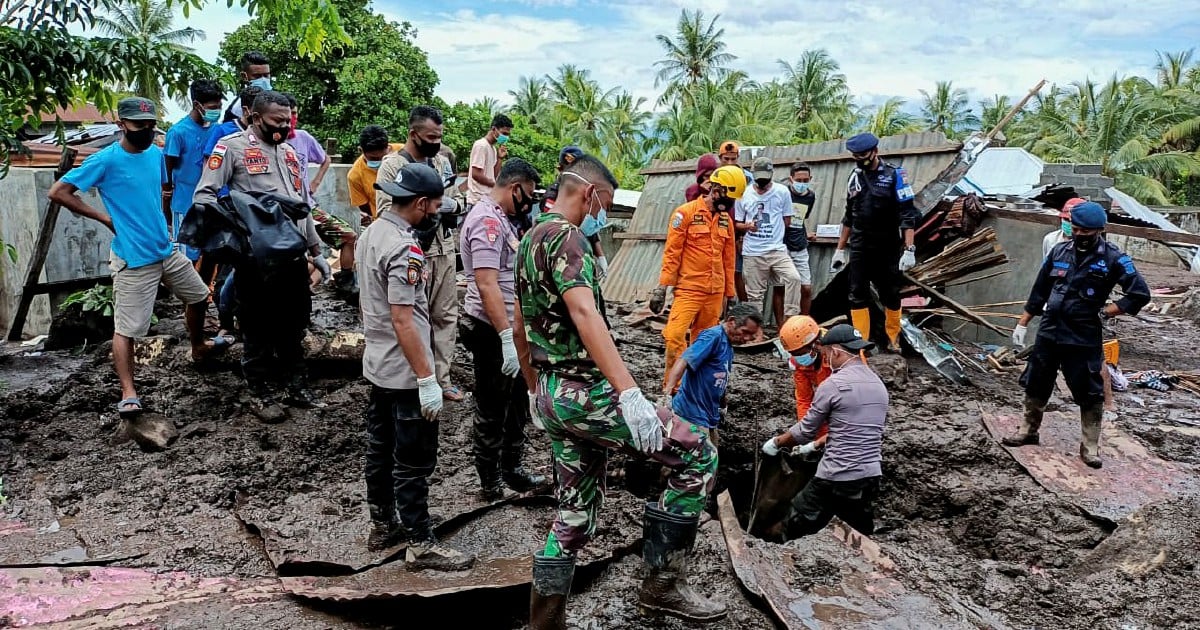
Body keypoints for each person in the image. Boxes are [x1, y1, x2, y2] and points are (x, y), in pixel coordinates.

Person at [516, 154, 725, 626]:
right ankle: (662, 586)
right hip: (584, 392)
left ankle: (544, 623)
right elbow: (586, 315)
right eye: (604, 203)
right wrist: (630, 394)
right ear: (590, 194)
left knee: (574, 511)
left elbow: (518, 324)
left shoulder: (528, 238)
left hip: (553, 395)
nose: (602, 214)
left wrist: (533, 388)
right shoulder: (568, 238)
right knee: (697, 453)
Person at [48, 97, 222, 417]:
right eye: (139, 125)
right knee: (127, 330)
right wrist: (103, 218)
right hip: (133, 257)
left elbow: (155, 197)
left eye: (150, 125)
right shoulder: (106, 161)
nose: (146, 130)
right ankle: (128, 392)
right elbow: (58, 192)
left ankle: (198, 347)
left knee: (199, 297)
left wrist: (165, 225)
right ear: (121, 124)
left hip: (165, 249)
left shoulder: (155, 155)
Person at [356, 161, 475, 571]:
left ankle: (384, 523)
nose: (440, 212)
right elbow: (404, 318)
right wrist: (427, 378)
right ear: (421, 204)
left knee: (380, 447)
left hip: (379, 365)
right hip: (406, 370)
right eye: (437, 206)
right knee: (413, 457)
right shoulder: (405, 248)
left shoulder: (372, 233)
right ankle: (420, 543)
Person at [192, 90, 326, 416]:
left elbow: (302, 205)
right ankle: (260, 392)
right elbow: (204, 195)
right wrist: (242, 220)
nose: (282, 127)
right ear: (254, 116)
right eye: (275, 121)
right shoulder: (232, 148)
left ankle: (296, 386)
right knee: (257, 325)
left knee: (295, 322)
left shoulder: (292, 154)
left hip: (292, 253)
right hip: (255, 256)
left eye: (287, 121)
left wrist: (316, 250)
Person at [1006, 201, 1150, 468]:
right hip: (1050, 329)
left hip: (1083, 334)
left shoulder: (1114, 258)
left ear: (1099, 230)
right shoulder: (1059, 251)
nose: (1080, 235)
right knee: (1036, 381)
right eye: (1077, 229)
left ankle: (1090, 446)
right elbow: (1040, 290)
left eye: (1087, 231)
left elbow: (1140, 293)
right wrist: (1023, 323)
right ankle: (1028, 431)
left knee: (1089, 390)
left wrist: (1108, 312)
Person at [459, 157, 548, 499]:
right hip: (490, 330)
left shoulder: (503, 220)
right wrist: (505, 339)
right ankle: (490, 482)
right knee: (492, 406)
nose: (528, 202)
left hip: (510, 330)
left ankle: (512, 469)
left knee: (517, 404)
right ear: (515, 188)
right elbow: (486, 284)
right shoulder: (487, 222)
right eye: (527, 194)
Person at [761, 324, 887, 539]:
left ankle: (780, 554)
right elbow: (852, 429)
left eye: (828, 353)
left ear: (835, 351)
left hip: (837, 474)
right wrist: (815, 444)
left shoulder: (833, 384)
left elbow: (804, 431)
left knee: (798, 517)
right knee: (857, 528)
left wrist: (777, 442)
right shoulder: (878, 385)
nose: (826, 357)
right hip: (870, 474)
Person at [375, 105, 464, 402]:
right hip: (411, 252)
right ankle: (416, 376)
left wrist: (448, 207)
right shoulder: (391, 166)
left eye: (439, 136)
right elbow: (385, 211)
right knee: (412, 317)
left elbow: (456, 198)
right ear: (414, 134)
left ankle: (442, 377)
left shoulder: (441, 162)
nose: (436, 142)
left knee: (445, 314)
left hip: (443, 248)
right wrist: (424, 211)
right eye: (430, 136)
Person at [650, 166, 741, 391]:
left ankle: (695, 387)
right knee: (674, 336)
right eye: (726, 196)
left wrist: (731, 294)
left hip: (715, 292)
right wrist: (662, 288)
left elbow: (729, 260)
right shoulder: (685, 214)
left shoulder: (725, 221)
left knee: (705, 342)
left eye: (733, 199)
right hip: (688, 289)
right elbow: (672, 253)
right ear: (714, 188)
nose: (728, 203)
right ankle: (674, 387)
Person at [830, 132, 921, 352]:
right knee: (857, 293)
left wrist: (909, 249)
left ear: (875, 151)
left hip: (887, 246)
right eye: (855, 155)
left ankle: (893, 338)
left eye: (863, 154)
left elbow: (907, 214)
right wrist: (839, 250)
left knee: (890, 292)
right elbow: (849, 215)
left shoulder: (895, 175)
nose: (860, 159)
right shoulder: (855, 176)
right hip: (861, 246)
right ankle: (862, 342)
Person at [283, 94, 357, 295]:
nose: (291, 119)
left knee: (348, 235)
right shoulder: (268, 146)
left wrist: (314, 183)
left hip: (309, 208)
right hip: (283, 213)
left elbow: (325, 160)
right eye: (287, 115)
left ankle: (345, 281)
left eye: (295, 114)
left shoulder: (303, 138)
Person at [661, 303, 763, 443]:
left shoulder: (728, 346)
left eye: (751, 335)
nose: (746, 339)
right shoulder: (712, 337)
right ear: (731, 321)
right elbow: (684, 360)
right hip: (691, 413)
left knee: (708, 458)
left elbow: (721, 379)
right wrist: (667, 393)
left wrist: (722, 406)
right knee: (696, 460)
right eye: (744, 332)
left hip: (708, 415)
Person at [735, 157, 803, 326]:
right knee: (755, 295)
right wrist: (747, 227)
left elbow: (787, 220)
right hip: (753, 252)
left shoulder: (782, 192)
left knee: (793, 278)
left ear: (772, 174)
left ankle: (791, 319)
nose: (762, 181)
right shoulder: (743, 193)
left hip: (776, 249)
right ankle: (756, 331)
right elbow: (737, 223)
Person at [164, 79, 223, 262]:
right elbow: (167, 167)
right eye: (213, 106)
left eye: (219, 106)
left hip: (212, 201)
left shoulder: (217, 130)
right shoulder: (178, 132)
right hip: (185, 202)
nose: (217, 110)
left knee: (211, 254)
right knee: (186, 255)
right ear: (197, 105)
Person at [543, 146, 608, 278]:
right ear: (560, 170)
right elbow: (552, 229)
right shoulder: (552, 195)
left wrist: (601, 257)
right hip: (560, 257)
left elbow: (592, 230)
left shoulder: (586, 195)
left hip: (582, 255)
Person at [716, 140, 751, 301]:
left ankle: (742, 308)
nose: (729, 162)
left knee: (738, 273)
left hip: (739, 232)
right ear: (720, 158)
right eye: (726, 159)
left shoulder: (747, 179)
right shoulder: (715, 177)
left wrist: (742, 234)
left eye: (733, 159)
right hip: (718, 229)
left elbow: (751, 205)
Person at [347, 125, 400, 226]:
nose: (379, 161)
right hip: (384, 224)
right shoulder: (355, 175)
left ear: (388, 148)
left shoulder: (404, 153)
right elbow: (365, 209)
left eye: (383, 157)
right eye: (373, 158)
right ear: (361, 150)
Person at [785, 163, 816, 315]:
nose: (802, 184)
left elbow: (802, 218)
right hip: (782, 245)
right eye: (799, 180)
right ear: (791, 179)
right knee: (782, 287)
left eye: (806, 180)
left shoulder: (811, 196)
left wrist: (805, 234)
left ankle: (805, 321)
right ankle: (780, 325)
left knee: (806, 287)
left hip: (800, 244)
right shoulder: (783, 194)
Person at [467, 113, 513, 206]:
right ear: (493, 129)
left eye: (508, 135)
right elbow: (476, 174)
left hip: (487, 200)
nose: (506, 137)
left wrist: (500, 158)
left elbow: (493, 175)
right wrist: (496, 185)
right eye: (504, 133)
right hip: (477, 201)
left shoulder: (493, 149)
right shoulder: (481, 145)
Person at [223, 51, 271, 123]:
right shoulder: (237, 109)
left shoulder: (276, 99)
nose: (263, 80)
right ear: (244, 76)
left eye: (266, 75)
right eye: (257, 76)